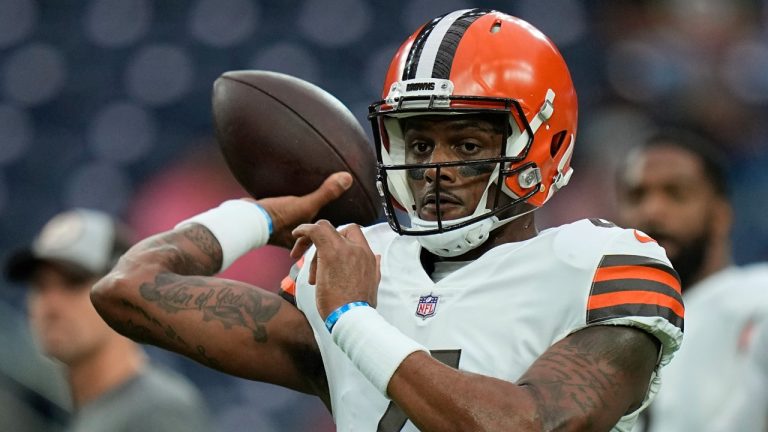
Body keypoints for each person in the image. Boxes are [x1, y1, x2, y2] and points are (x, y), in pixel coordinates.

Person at [91, 10, 683, 431]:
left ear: (543, 146)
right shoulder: (364, 265)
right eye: (420, 145)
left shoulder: (601, 265)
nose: (436, 170)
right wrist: (256, 216)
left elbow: (527, 426)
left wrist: (353, 319)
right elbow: (126, 290)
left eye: (468, 144)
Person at [5, 208, 213, 432]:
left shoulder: (157, 413)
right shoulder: (77, 411)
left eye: (73, 282)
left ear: (123, 295)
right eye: (40, 286)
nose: (51, 305)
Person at [615, 129, 768, 431]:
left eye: (676, 193)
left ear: (720, 214)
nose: (652, 211)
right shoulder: (597, 323)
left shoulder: (759, 295)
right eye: (637, 196)